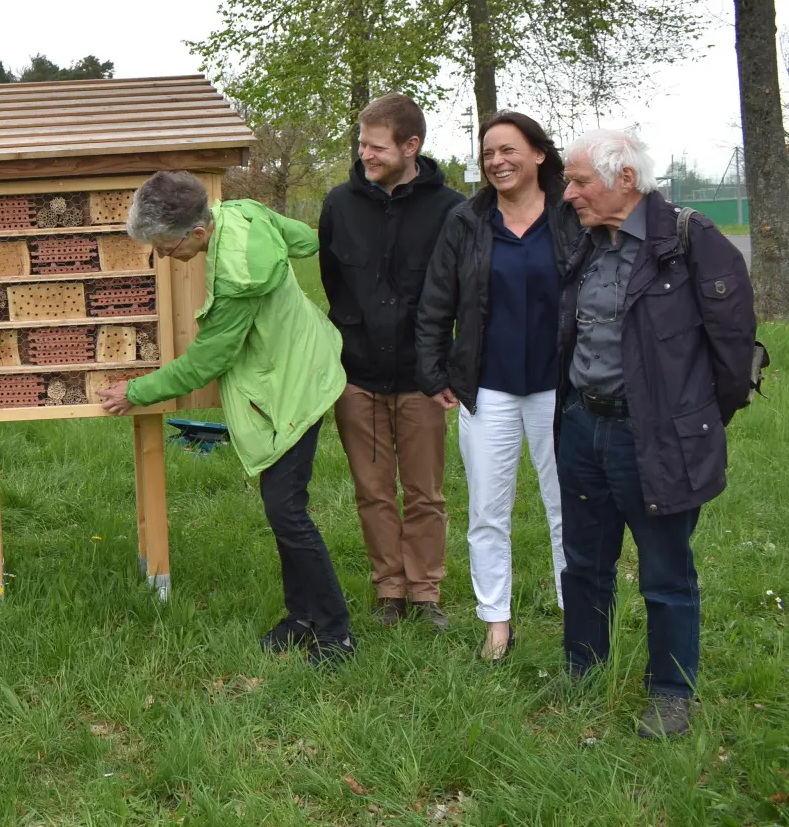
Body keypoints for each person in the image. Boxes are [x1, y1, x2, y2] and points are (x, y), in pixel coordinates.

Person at [97, 171, 355, 664]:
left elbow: (206, 362)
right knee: (284, 507)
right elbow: (302, 240)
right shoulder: (243, 212)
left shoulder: (238, 276)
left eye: (166, 246)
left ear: (197, 231)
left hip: (293, 384)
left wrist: (135, 391)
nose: (164, 257)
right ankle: (302, 620)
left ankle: (335, 633)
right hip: (301, 363)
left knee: (288, 511)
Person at [556, 129, 756, 738]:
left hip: (655, 437)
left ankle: (670, 692)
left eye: (579, 181)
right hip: (582, 427)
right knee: (584, 562)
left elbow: (732, 355)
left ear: (624, 180)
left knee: (666, 571)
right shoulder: (585, 244)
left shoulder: (693, 242)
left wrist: (688, 426)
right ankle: (583, 671)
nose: (568, 194)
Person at [417, 111, 579, 660]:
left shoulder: (570, 214)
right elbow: (436, 302)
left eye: (507, 150)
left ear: (537, 154)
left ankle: (576, 619)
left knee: (568, 509)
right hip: (488, 390)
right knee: (488, 511)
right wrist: (435, 371)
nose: (496, 162)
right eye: (488, 153)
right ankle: (497, 625)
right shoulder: (467, 222)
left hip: (562, 389)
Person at [319, 94, 465, 631]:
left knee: (425, 492)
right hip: (356, 376)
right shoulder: (340, 204)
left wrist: (444, 367)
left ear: (411, 146)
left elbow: (457, 294)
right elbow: (334, 281)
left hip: (423, 378)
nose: (365, 154)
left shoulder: (451, 209)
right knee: (373, 491)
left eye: (376, 146)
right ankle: (389, 591)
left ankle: (426, 593)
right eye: (361, 143)